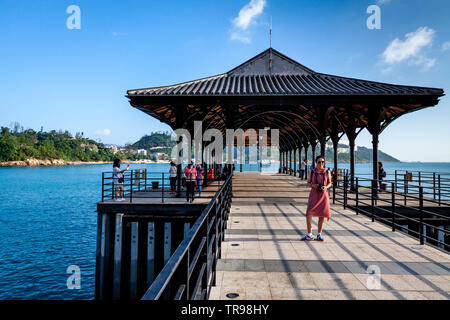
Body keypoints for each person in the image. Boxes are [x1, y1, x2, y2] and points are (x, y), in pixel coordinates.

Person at [301, 155, 332, 241]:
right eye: (319, 162)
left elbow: (330, 183)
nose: (321, 163)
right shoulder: (312, 172)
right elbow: (308, 183)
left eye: (323, 162)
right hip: (314, 194)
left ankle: (319, 234)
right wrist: (313, 185)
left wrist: (326, 187)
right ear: (316, 163)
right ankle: (309, 234)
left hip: (323, 195)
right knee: (309, 213)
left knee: (321, 215)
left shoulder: (327, 172)